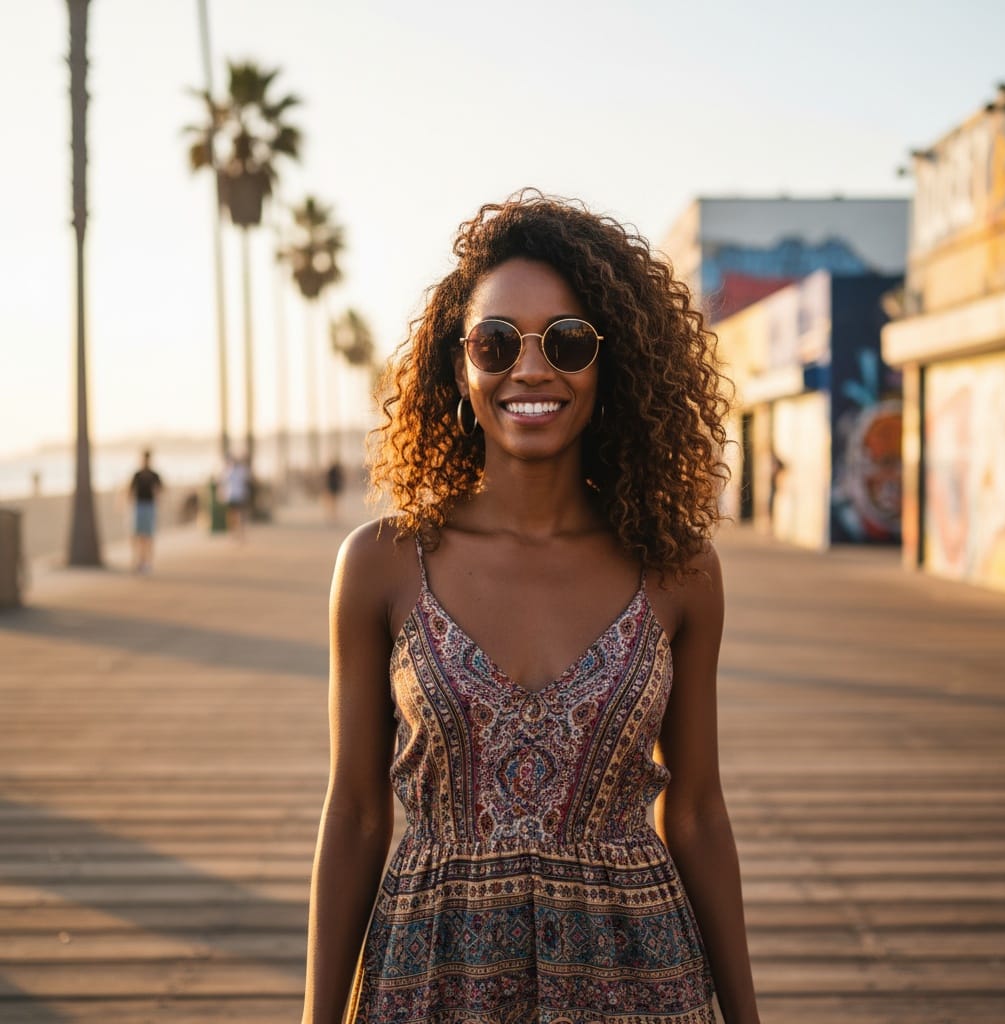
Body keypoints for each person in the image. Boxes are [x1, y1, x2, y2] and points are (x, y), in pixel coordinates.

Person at [302, 191, 760, 1024]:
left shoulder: (680, 571)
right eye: (496, 342)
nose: (531, 369)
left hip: (638, 977)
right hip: (434, 977)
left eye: (568, 341)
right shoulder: (380, 566)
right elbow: (358, 813)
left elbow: (695, 810)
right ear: (460, 365)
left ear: (607, 362)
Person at [128, 449, 162, 573]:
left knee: (148, 536)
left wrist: (158, 502)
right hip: (139, 506)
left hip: (149, 506)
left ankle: (148, 562)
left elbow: (159, 489)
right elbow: (130, 490)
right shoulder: (137, 474)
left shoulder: (154, 475)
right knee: (138, 535)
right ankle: (137, 561)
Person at [219, 455, 250, 540]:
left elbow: (222, 483)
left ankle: (234, 533)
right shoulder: (242, 470)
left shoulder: (228, 471)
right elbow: (246, 482)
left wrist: (222, 495)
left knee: (232, 515)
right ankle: (239, 533)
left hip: (232, 496)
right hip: (239, 495)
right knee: (239, 515)